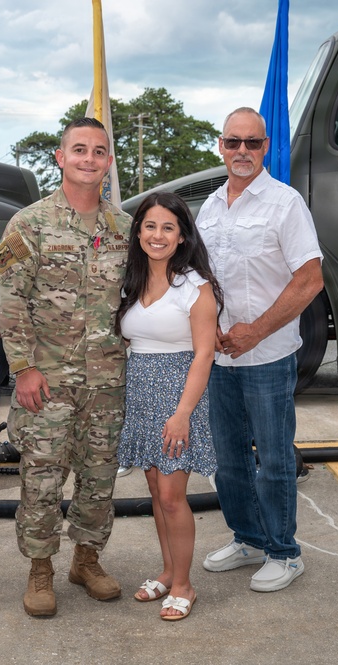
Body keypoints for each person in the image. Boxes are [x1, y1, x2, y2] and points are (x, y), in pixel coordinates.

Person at [0, 117, 131, 617]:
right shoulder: (29, 225)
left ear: (107, 160)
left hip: (108, 382)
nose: (89, 159)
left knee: (99, 477)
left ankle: (86, 561)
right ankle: (40, 570)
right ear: (60, 157)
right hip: (48, 381)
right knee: (43, 478)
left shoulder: (125, 229)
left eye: (98, 151)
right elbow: (10, 300)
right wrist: (23, 368)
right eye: (79, 150)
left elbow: (139, 300)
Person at [196, 108, 323, 592]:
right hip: (220, 356)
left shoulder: (285, 204)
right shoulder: (210, 207)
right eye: (234, 142)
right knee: (229, 461)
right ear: (221, 146)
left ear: (265, 147)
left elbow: (309, 279)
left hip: (268, 356)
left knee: (272, 460)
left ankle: (284, 552)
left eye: (252, 143)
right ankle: (248, 539)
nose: (242, 151)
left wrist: (257, 330)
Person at [115, 192, 223, 621]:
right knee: (156, 494)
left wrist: (181, 415)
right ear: (138, 231)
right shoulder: (133, 280)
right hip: (142, 395)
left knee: (173, 497)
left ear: (182, 236)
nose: (157, 235)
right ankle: (166, 571)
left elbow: (204, 355)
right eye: (150, 226)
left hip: (180, 397)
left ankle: (184, 585)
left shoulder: (195, 287)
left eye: (167, 228)